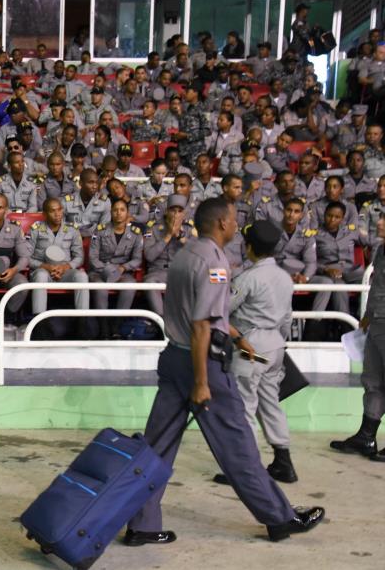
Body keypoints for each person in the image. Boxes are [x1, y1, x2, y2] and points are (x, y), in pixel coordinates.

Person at [123, 197, 324, 547]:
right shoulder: (216, 262)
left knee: (157, 447)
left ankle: (142, 524)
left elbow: (204, 313)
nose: (236, 225)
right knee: (238, 446)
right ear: (220, 223)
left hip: (174, 356)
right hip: (201, 365)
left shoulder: (185, 254)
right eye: (233, 220)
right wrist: (202, 382)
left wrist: (237, 336)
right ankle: (280, 518)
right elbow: (202, 325)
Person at [212, 220, 298, 486]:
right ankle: (283, 461)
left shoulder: (248, 278)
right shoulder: (284, 277)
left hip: (250, 346)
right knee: (270, 403)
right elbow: (287, 318)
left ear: (249, 247)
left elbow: (222, 309)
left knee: (243, 407)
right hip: (275, 345)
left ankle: (244, 468)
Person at [331, 215, 385, 461]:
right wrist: (367, 314)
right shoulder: (381, 249)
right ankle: (366, 436)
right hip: (377, 321)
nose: (380, 223)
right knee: (372, 379)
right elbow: (378, 286)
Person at [28, 197, 89, 332]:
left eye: (59, 210)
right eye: (52, 211)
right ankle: (39, 326)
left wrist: (65, 267)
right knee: (41, 276)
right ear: (44, 213)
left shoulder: (72, 229)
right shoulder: (36, 229)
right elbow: (27, 258)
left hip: (65, 271)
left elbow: (79, 257)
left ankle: (82, 324)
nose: (57, 214)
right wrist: (46, 267)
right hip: (43, 270)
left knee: (82, 276)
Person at [88, 198, 145, 338]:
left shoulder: (135, 233)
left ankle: (116, 326)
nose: (118, 213)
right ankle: (104, 327)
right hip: (100, 271)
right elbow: (93, 258)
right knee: (100, 288)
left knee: (130, 285)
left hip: (123, 272)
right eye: (115, 210)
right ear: (111, 212)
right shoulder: (100, 230)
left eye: (122, 210)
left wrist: (123, 268)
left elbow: (137, 259)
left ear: (127, 212)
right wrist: (108, 270)